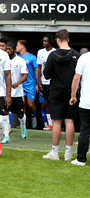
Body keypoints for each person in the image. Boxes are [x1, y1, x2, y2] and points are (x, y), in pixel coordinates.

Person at [43, 29, 80, 161]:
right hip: (72, 92)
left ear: (57, 40)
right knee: (69, 121)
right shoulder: (76, 54)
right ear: (68, 39)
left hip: (56, 91)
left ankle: (55, 152)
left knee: (56, 122)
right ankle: (68, 153)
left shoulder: (52, 55)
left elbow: (46, 75)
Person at [1, 42, 28, 143]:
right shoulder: (3, 60)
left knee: (20, 114)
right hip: (5, 92)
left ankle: (23, 128)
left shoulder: (20, 61)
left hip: (17, 92)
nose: (7, 51)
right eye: (6, 49)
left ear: (14, 50)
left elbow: (25, 75)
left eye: (9, 49)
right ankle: (6, 135)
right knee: (5, 113)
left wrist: (18, 83)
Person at [70, 51, 90, 166]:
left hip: (86, 102)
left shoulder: (84, 57)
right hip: (86, 101)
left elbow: (76, 78)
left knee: (85, 130)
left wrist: (73, 95)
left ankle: (81, 159)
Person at [16, 40, 38, 132]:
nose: (16, 47)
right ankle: (23, 124)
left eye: (17, 45)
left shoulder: (32, 57)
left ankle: (34, 116)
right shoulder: (17, 57)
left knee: (30, 103)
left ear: (23, 46)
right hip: (21, 84)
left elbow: (36, 70)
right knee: (22, 104)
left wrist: (37, 84)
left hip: (30, 84)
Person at [37, 34, 56, 130]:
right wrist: (38, 82)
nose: (44, 42)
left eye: (46, 41)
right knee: (47, 102)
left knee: (54, 102)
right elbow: (39, 68)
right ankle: (50, 123)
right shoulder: (40, 52)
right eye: (43, 41)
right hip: (44, 82)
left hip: (54, 82)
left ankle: (57, 124)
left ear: (51, 41)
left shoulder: (55, 52)